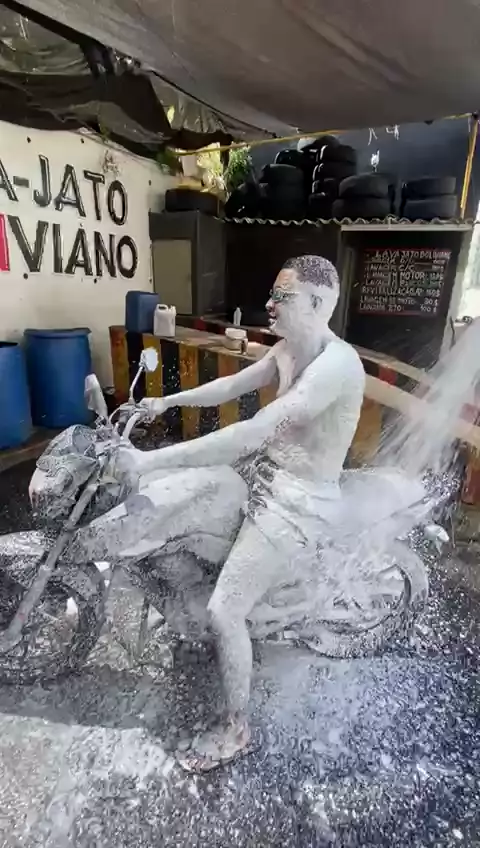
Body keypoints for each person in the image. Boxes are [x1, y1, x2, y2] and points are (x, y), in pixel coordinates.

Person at [119, 255, 366, 771]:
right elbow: (231, 387)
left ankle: (236, 729)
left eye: (283, 297)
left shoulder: (336, 366)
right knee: (183, 514)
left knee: (224, 610)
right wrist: (167, 402)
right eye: (272, 294)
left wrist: (149, 459)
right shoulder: (288, 349)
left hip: (300, 502)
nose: (270, 305)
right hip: (264, 474)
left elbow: (254, 430)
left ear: (317, 303)